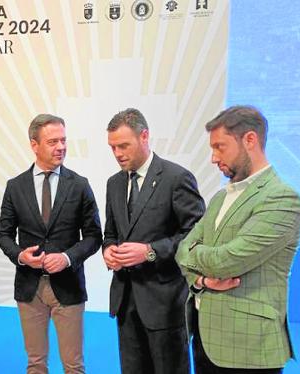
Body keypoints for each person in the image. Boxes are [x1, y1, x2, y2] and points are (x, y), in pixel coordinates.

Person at [176, 106, 300, 374]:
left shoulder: (282, 198)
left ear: (249, 140)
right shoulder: (220, 197)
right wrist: (201, 280)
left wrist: (196, 255)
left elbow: (227, 261)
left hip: (249, 348)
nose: (213, 158)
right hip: (205, 338)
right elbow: (181, 250)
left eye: (220, 147)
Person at [0, 114, 102, 374]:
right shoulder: (15, 187)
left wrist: (67, 258)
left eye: (64, 140)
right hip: (29, 288)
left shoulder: (79, 185)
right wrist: (21, 256)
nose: (61, 147)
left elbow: (93, 236)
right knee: (35, 364)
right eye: (53, 141)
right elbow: (4, 235)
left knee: (73, 365)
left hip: (68, 287)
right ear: (34, 144)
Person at [102, 108, 205, 374]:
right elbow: (111, 232)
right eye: (112, 147)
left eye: (123, 146)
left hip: (165, 303)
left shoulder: (176, 178)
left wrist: (150, 252)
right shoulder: (113, 183)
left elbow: (196, 236)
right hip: (125, 301)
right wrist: (108, 251)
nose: (117, 154)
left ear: (144, 136)